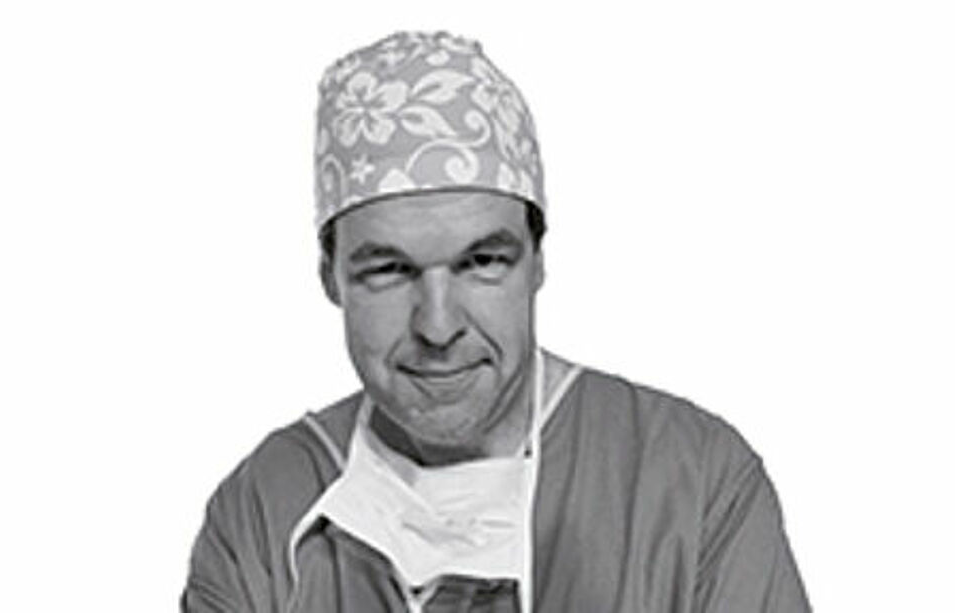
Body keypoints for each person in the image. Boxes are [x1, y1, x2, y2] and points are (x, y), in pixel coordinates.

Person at [182, 31, 811, 612]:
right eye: (389, 270)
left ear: (537, 261)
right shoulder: (260, 514)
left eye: (481, 262)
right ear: (330, 277)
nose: (438, 327)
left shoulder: (695, 485)